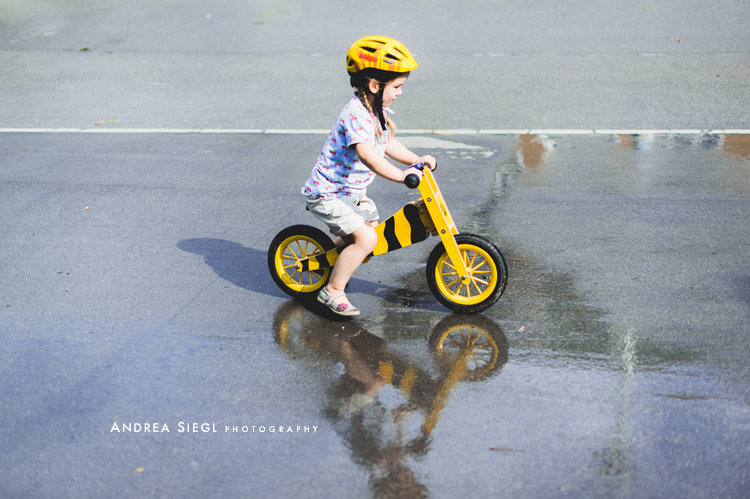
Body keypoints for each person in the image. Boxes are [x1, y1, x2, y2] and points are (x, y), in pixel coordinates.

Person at [301, 36, 435, 316]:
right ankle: (332, 291)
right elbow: (368, 155)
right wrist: (401, 176)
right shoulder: (356, 115)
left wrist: (415, 159)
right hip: (328, 194)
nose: (400, 92)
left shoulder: (375, 111)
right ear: (375, 85)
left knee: (371, 233)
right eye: (397, 86)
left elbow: (384, 143)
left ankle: (329, 259)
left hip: (349, 193)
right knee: (367, 240)